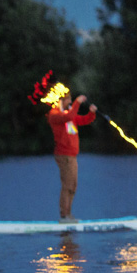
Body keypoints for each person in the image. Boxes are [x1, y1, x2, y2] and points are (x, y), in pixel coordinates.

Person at [46, 91, 97, 222]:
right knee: (67, 185)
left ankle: (68, 215)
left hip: (72, 155)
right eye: (68, 100)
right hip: (64, 155)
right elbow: (69, 117)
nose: (70, 102)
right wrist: (78, 102)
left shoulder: (69, 113)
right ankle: (64, 216)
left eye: (70, 100)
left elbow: (83, 120)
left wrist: (91, 113)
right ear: (60, 101)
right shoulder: (55, 115)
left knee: (73, 185)